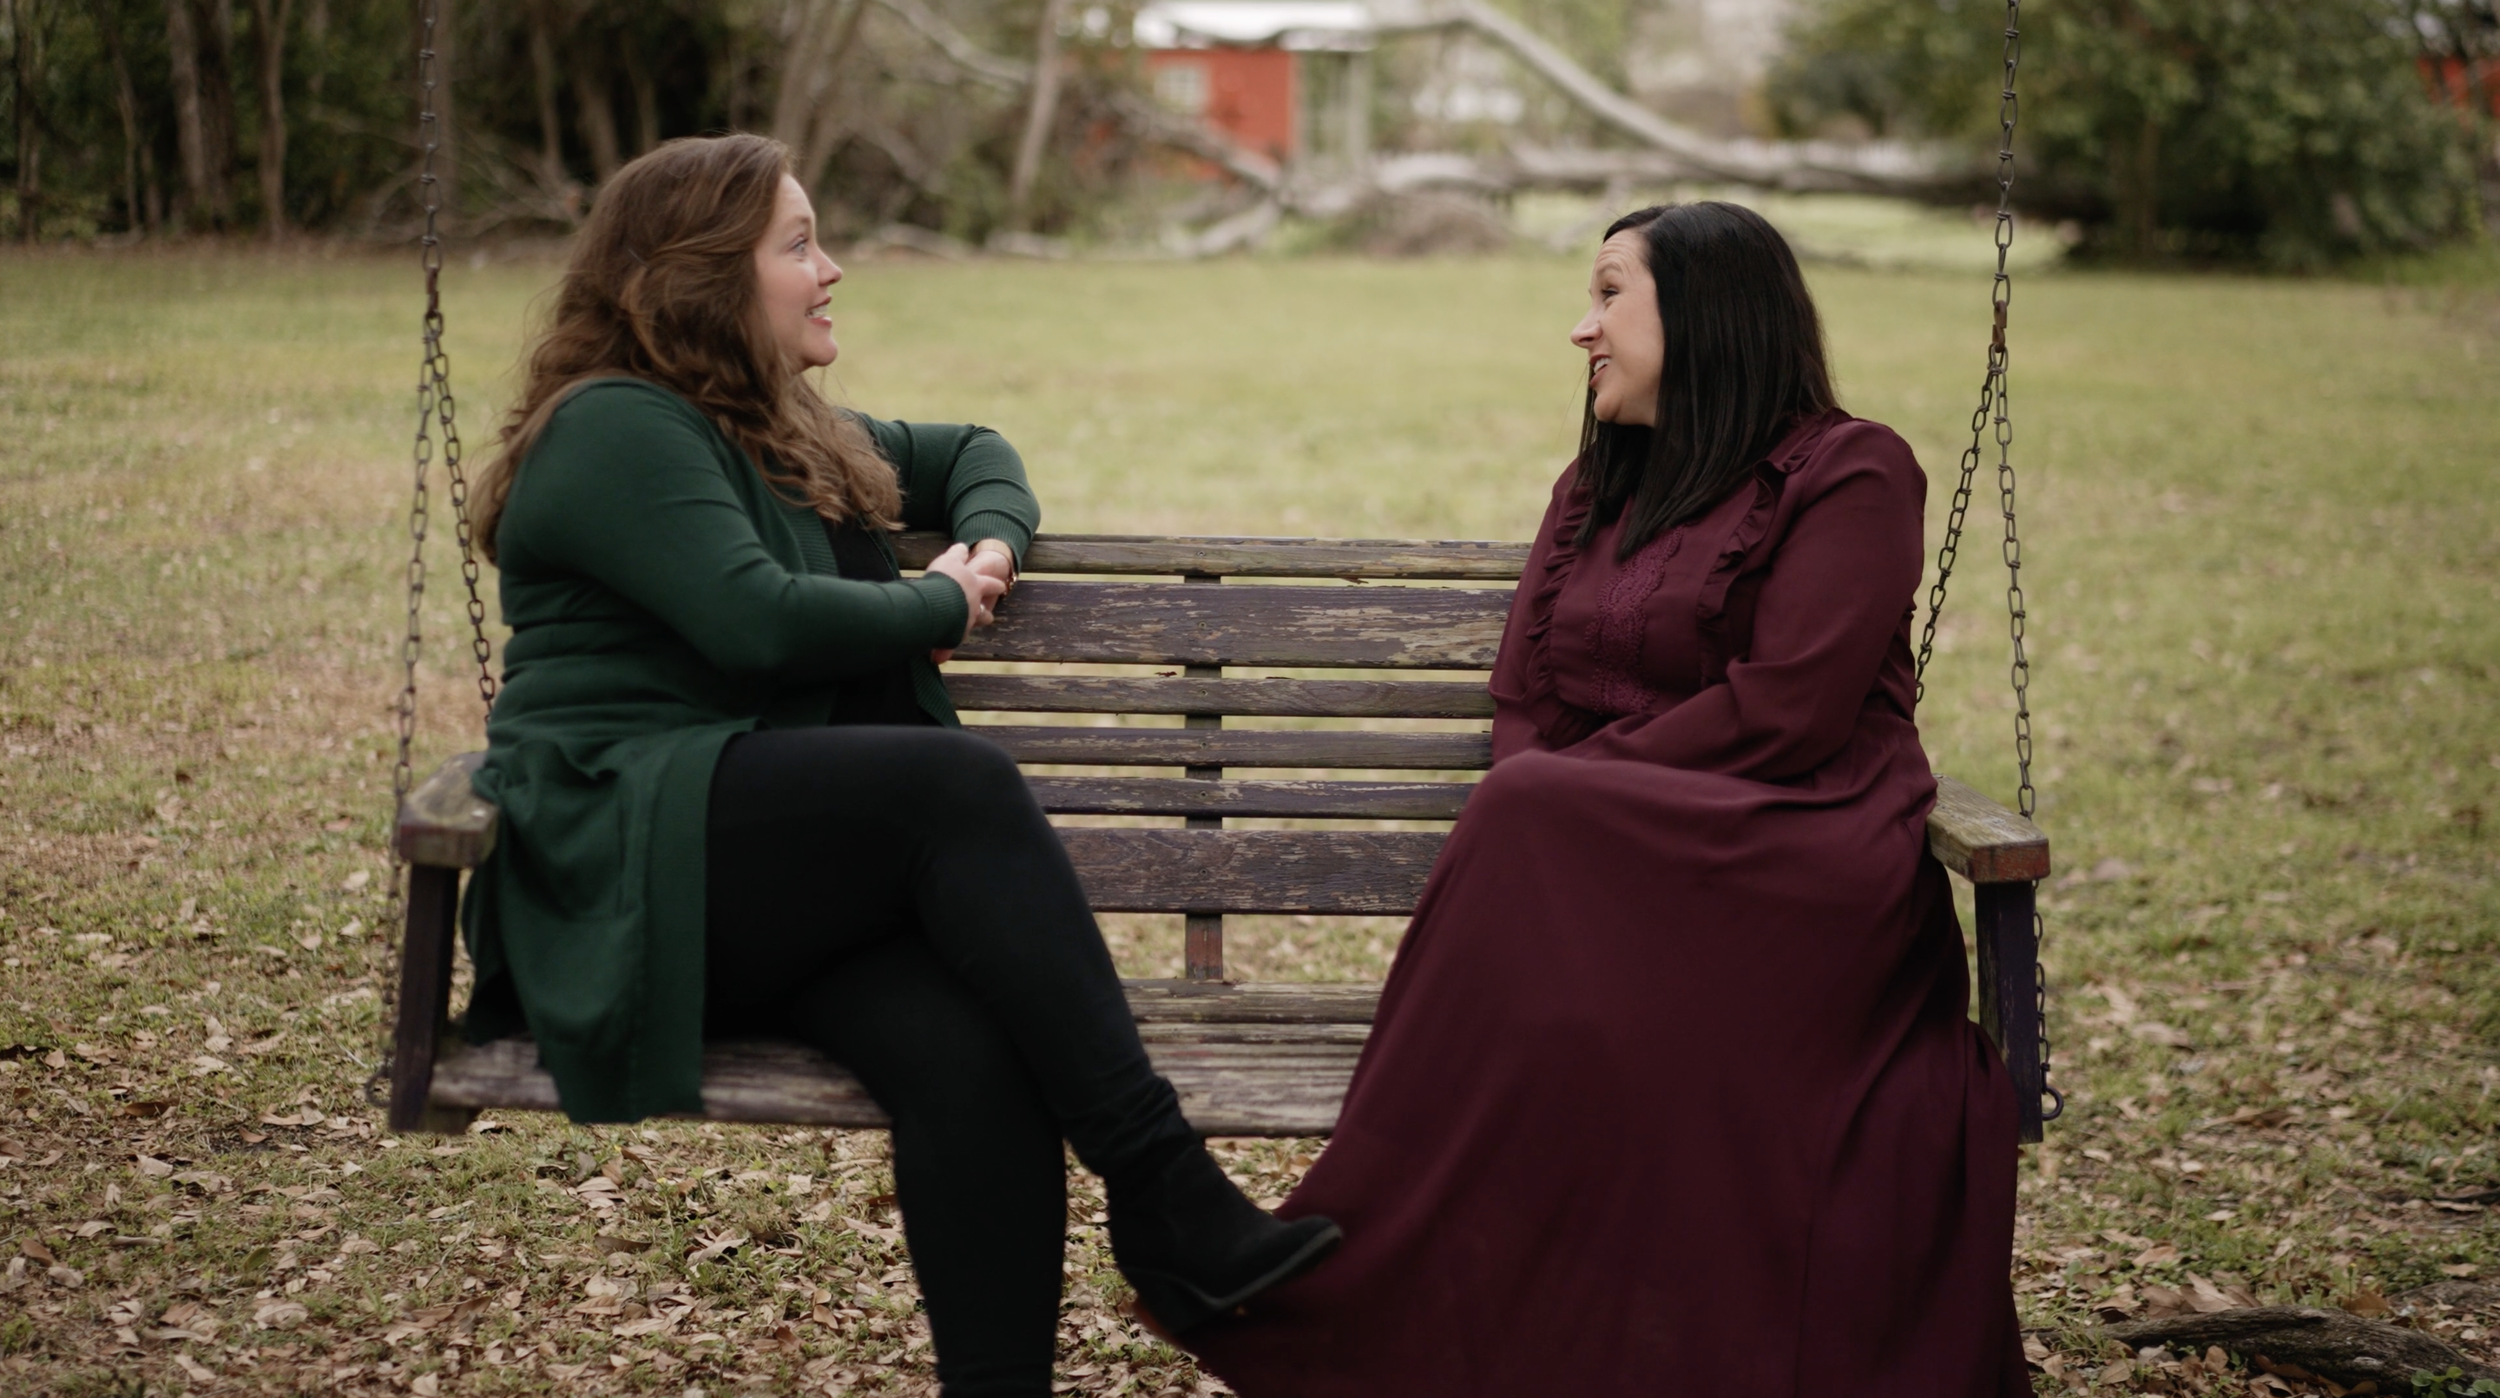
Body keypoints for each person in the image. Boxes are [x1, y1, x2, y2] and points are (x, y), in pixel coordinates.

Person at [454, 133, 1338, 1398]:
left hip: (751, 866)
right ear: (703, 277)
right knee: (953, 788)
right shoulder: (611, 428)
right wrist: (937, 602)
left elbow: (973, 447)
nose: (834, 270)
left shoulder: (776, 428)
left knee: (969, 1055)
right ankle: (1164, 1191)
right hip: (622, 855)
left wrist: (984, 542)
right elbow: (752, 618)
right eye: (799, 244)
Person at [1187, 203, 2027, 1395]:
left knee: (1531, 808)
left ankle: (1336, 1266)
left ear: (1703, 314)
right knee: (1529, 817)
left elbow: (1790, 706)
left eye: (1607, 296)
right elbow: (1525, 692)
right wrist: (1561, 791)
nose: (1580, 330)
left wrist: (1571, 788)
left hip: (1798, 847)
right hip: (1618, 855)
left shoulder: (1851, 470)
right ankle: (1392, 1288)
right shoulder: (1595, 490)